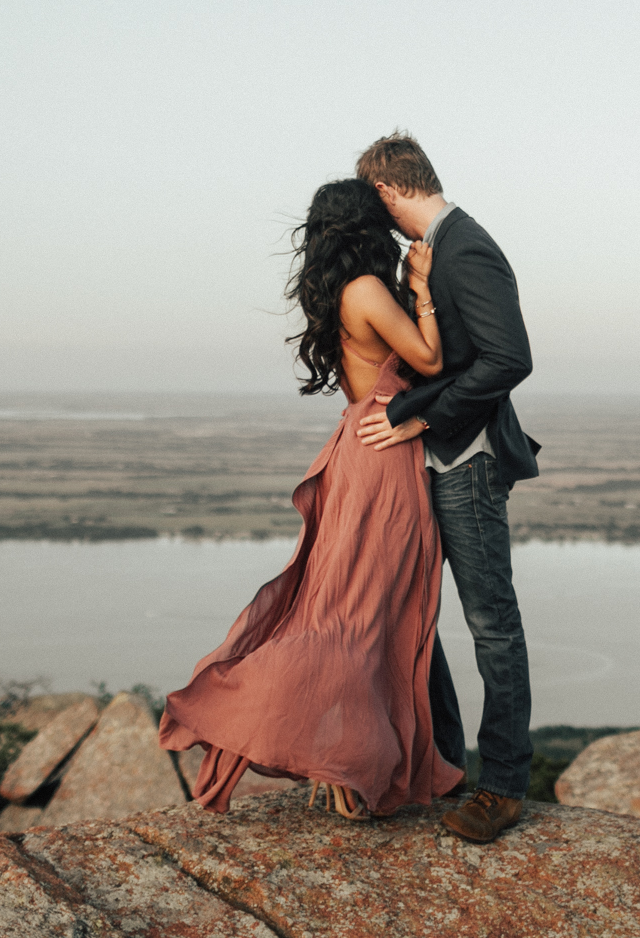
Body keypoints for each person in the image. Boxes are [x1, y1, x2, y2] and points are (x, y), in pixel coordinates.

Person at [158, 177, 466, 818]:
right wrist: (427, 286)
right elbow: (430, 361)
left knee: (354, 608)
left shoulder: (333, 291)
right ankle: (337, 762)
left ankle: (342, 760)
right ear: (366, 226)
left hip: (360, 447)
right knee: (362, 614)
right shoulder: (366, 290)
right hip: (385, 457)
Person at [352, 131, 539, 845]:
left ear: (388, 189)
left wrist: (421, 415)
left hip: (467, 460)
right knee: (418, 617)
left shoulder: (470, 246)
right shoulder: (434, 253)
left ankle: (503, 787)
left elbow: (509, 358)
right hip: (431, 461)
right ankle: (448, 767)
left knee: (491, 623)